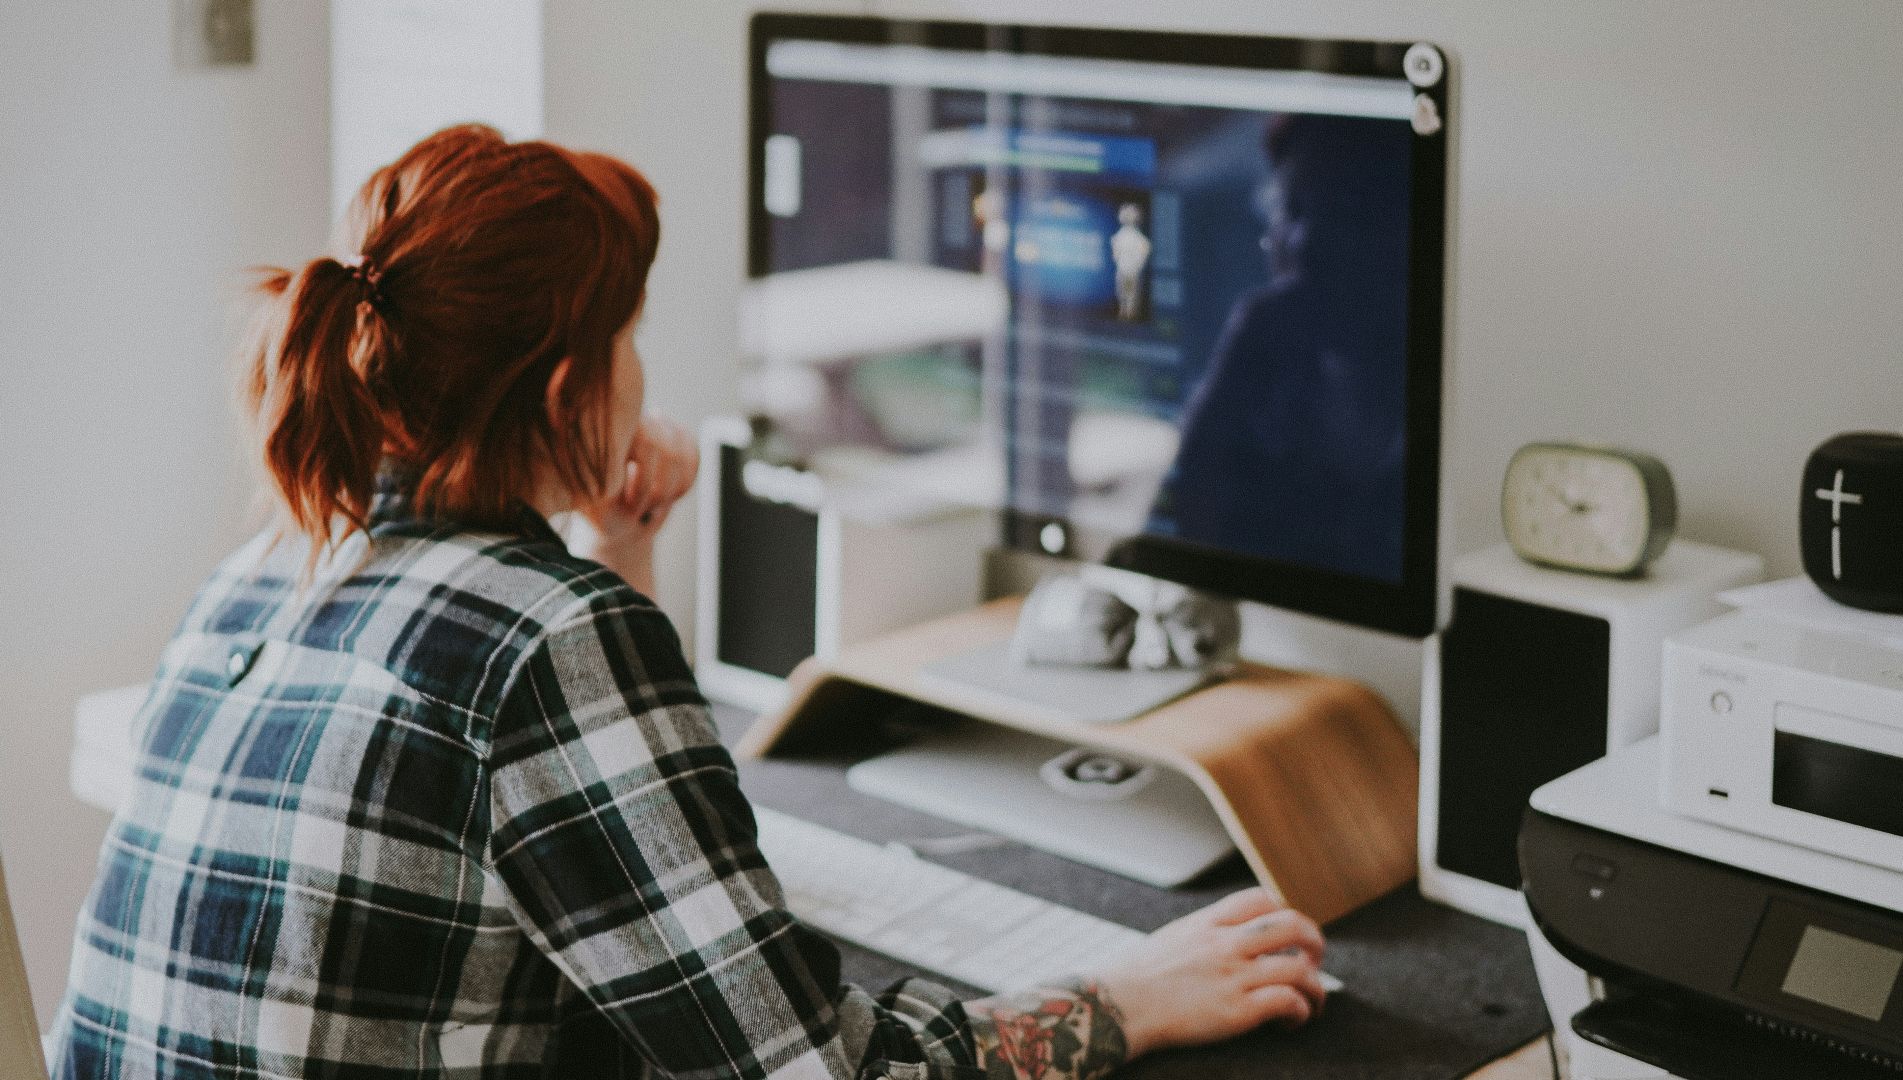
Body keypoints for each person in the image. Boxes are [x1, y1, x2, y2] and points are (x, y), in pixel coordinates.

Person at [47, 125, 1328, 1080]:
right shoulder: (546, 636)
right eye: (630, 331)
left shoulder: (267, 566)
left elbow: (606, 863)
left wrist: (613, 548)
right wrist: (1133, 995)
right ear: (567, 393)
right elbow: (822, 1074)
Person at [1157, 114, 1412, 582]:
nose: (1306, 240)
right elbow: (1176, 529)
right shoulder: (1264, 347)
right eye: (1291, 208)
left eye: (1343, 210)